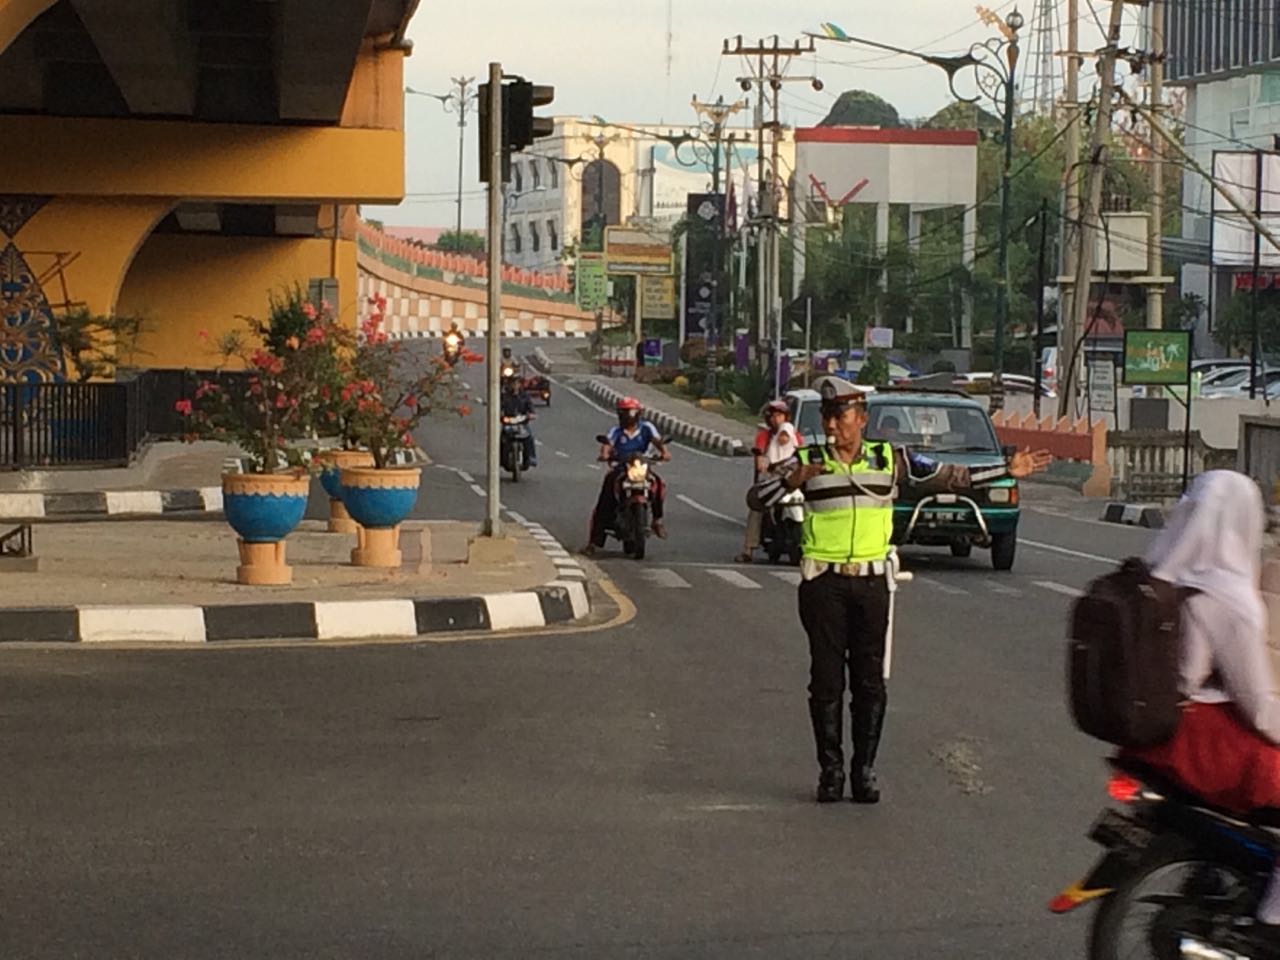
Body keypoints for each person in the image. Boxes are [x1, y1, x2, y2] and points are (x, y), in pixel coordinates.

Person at [752, 376, 1050, 804]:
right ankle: (831, 770)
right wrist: (793, 479)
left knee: (870, 681)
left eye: (841, 417)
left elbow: (951, 475)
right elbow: (757, 498)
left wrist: (1006, 469)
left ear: (861, 419)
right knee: (826, 681)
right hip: (823, 584)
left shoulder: (889, 459)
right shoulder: (806, 457)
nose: (834, 426)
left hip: (872, 582)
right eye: (828, 417)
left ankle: (864, 770)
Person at [1122, 470, 1280, 944]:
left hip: (1160, 729)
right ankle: (1273, 923)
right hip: (1203, 737)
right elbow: (1258, 708)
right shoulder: (1228, 598)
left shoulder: (1161, 581)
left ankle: (1221, 877)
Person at [584, 397, 671, 554]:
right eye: (624, 413)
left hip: (642, 467)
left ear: (638, 413)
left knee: (658, 485)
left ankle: (657, 520)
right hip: (621, 468)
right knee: (605, 499)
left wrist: (664, 453)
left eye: (631, 412)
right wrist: (605, 455)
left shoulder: (646, 428)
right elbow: (607, 444)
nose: (628, 416)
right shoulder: (616, 431)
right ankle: (593, 543)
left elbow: (657, 441)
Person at [737, 399, 799, 563]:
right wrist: (765, 465)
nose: (776, 419)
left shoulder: (796, 436)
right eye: (773, 416)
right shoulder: (764, 437)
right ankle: (748, 550)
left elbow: (803, 456)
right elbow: (760, 461)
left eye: (780, 415)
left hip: (793, 481)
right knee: (756, 509)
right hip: (771, 480)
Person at [500, 373, 537, 468]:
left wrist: (531, 414)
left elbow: (531, 408)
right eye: (513, 383)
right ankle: (500, 459)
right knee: (502, 440)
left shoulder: (525, 396)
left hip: (522, 423)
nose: (515, 385)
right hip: (508, 423)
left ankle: (531, 458)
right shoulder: (504, 396)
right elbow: (499, 407)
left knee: (529, 437)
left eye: (517, 383)